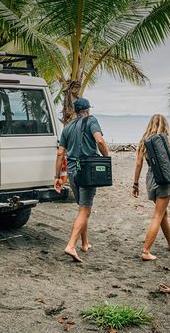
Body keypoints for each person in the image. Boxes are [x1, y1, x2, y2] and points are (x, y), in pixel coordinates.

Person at [54, 98, 109, 262]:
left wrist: (57, 177)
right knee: (85, 210)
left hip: (72, 172)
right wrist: (106, 157)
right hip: (87, 171)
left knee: (81, 208)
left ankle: (85, 243)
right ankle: (71, 246)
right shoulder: (91, 120)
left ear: (75, 111)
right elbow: (99, 140)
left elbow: (60, 154)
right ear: (87, 110)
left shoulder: (67, 127)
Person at [132, 114, 170, 261]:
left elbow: (139, 164)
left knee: (163, 213)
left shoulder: (143, 141)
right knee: (158, 215)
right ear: (165, 125)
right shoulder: (166, 139)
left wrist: (135, 184)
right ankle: (146, 251)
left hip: (151, 179)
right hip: (165, 179)